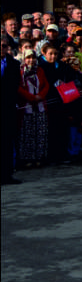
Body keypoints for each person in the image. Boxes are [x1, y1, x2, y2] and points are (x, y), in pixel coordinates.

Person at [16, 47, 50, 168]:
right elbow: (19, 88)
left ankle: (39, 158)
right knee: (27, 134)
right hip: (27, 107)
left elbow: (46, 85)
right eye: (28, 57)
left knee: (40, 133)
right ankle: (27, 159)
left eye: (33, 57)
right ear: (24, 59)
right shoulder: (20, 71)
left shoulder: (40, 70)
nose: (31, 60)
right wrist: (31, 97)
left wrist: (40, 96)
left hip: (40, 106)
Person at [2, 39, 23, 184]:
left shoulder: (14, 64)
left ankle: (6, 175)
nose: (1, 48)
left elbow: (15, 86)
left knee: (7, 142)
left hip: (7, 109)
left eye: (4, 46)